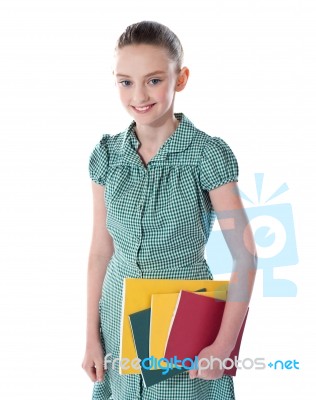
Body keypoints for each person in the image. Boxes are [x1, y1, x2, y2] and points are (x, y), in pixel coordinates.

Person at [82, 20, 257, 400]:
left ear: (181, 79)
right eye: (125, 81)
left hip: (184, 320)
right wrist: (91, 338)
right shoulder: (107, 157)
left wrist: (222, 347)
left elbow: (245, 256)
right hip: (117, 315)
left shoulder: (206, 155)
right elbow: (100, 251)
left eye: (154, 80)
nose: (139, 94)